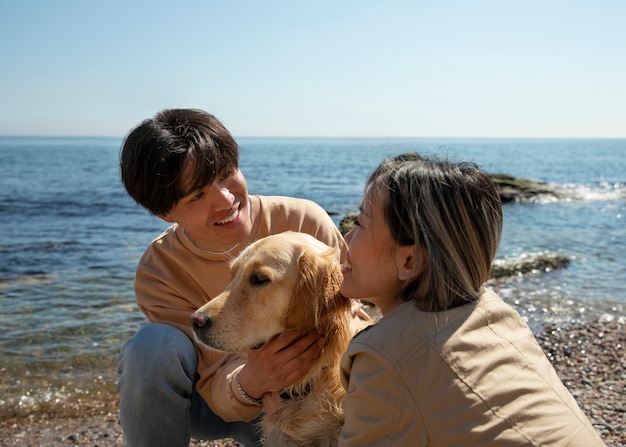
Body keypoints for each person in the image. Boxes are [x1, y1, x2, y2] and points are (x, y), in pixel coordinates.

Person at [117, 108, 370, 447]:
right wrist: (253, 381)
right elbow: (211, 376)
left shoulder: (304, 222)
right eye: (197, 196)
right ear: (165, 213)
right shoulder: (158, 270)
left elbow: (352, 316)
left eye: (226, 174)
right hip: (222, 407)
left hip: (317, 397)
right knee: (150, 349)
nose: (226, 200)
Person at [338, 154, 605, 446]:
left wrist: (278, 402)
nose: (346, 239)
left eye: (360, 223)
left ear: (410, 260)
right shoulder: (495, 312)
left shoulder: (382, 356)